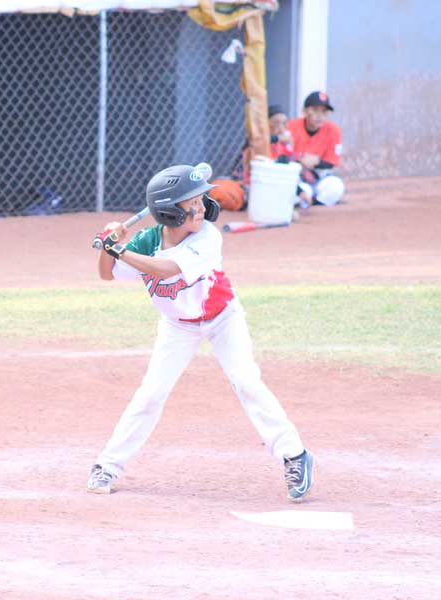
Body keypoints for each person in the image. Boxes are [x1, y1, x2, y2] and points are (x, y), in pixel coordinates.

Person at [87, 163, 315, 501]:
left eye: (201, 198)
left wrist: (122, 250)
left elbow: (166, 270)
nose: (202, 207)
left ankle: (295, 454)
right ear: (169, 213)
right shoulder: (146, 241)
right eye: (191, 202)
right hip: (178, 326)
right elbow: (108, 274)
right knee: (150, 394)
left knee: (246, 381)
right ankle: (108, 465)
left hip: (222, 318)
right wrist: (110, 246)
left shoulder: (208, 236)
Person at [286, 91, 345, 206]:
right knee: (294, 191)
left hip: (318, 178)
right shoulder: (292, 127)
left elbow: (332, 162)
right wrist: (300, 161)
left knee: (336, 186)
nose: (320, 116)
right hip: (297, 178)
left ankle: (312, 202)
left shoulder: (333, 130)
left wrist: (317, 161)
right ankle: (305, 199)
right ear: (304, 111)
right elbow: (283, 158)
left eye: (324, 112)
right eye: (315, 110)